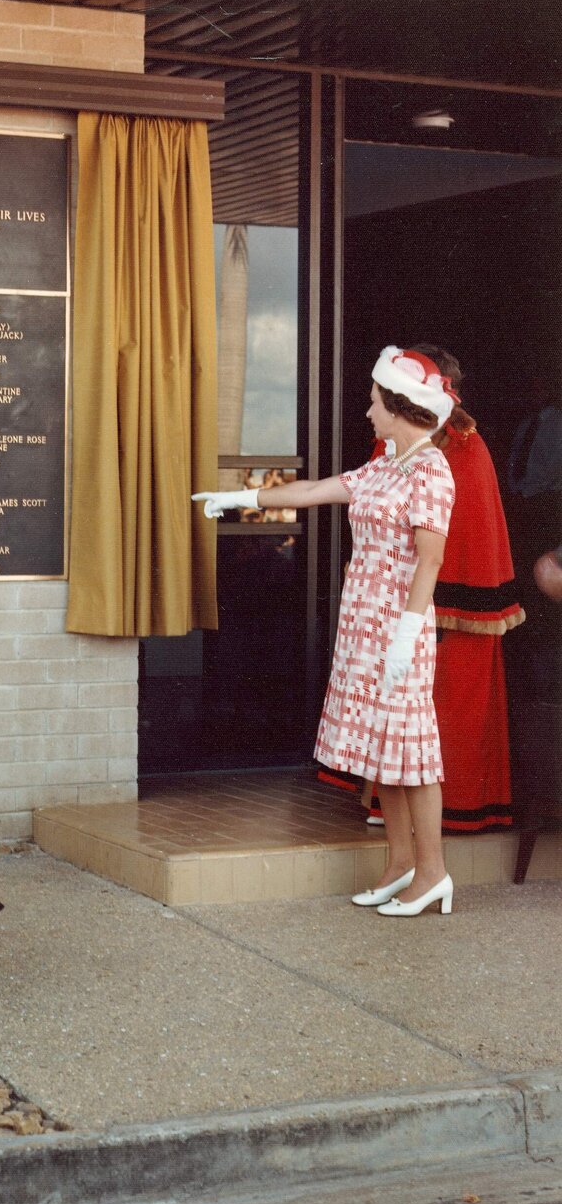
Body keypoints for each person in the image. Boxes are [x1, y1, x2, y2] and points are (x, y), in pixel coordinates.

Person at [193, 346, 457, 916]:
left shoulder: (432, 470)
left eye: (373, 403)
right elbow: (312, 491)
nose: (367, 412)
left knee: (411, 751)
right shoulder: (384, 466)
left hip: (399, 629)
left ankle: (432, 872)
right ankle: (399, 864)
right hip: (364, 625)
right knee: (381, 749)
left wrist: (408, 636)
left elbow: (431, 561)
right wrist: (241, 496)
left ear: (399, 405)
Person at [362, 345, 524, 832]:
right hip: (398, 598)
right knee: (397, 711)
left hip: (446, 605)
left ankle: (440, 825)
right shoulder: (393, 446)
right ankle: (393, 820)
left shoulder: (467, 449)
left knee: (444, 708)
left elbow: (473, 536)